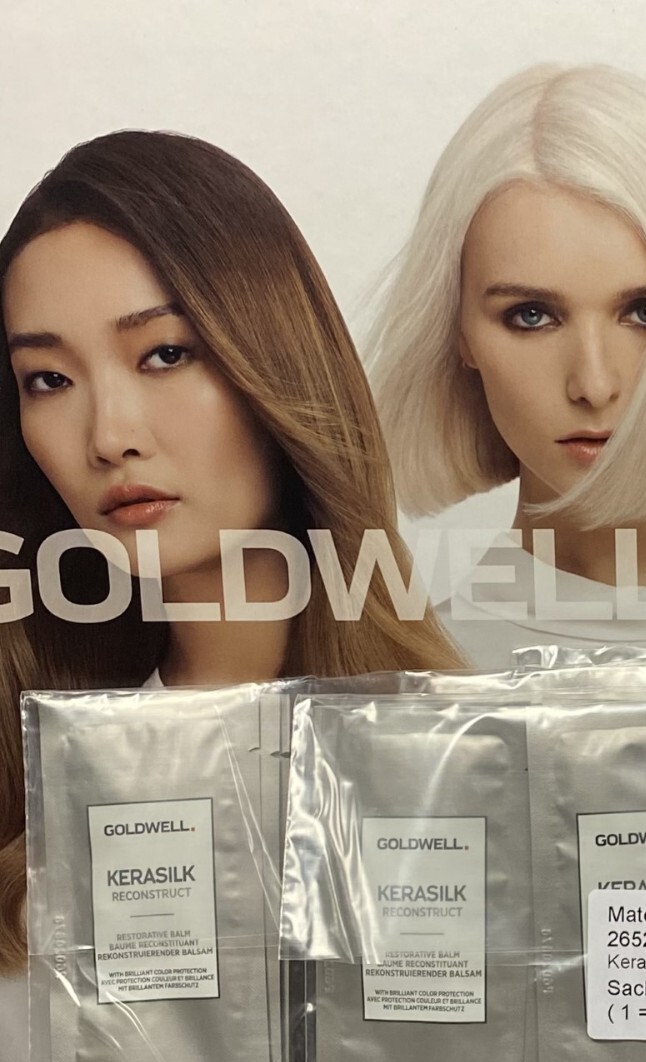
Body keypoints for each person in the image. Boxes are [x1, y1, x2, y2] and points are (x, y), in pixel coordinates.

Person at [0, 130, 462, 975]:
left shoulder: (470, 758)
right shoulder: (37, 811)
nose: (109, 436)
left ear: (275, 363)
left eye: (165, 354)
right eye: (49, 379)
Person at [369, 64, 646, 665]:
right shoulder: (427, 675)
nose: (594, 385)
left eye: (645, 312)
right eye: (531, 316)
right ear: (457, 331)